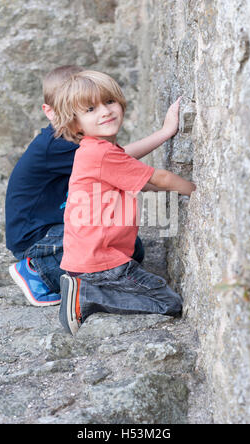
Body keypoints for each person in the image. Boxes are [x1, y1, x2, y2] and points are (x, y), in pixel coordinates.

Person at [5, 65, 185, 307]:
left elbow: (120, 164)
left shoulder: (84, 139)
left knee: (132, 250)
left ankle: (87, 285)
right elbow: (121, 162)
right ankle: (38, 270)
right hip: (37, 236)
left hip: (59, 223)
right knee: (95, 256)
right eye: (85, 107)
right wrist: (163, 133)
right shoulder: (58, 142)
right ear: (51, 111)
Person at [50, 70, 196, 335]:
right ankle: (87, 297)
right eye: (91, 108)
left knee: (148, 277)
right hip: (102, 261)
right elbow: (160, 178)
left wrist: (165, 133)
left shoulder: (97, 150)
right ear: (75, 126)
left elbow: (140, 178)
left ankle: (86, 288)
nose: (104, 111)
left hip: (90, 256)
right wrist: (195, 191)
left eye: (109, 102)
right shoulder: (102, 154)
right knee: (168, 302)